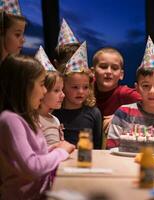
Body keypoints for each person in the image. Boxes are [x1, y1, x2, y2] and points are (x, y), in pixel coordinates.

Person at [0, 54, 75, 199]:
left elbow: (28, 155)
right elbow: (31, 167)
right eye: (41, 84)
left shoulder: (27, 119)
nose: (45, 91)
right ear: (25, 86)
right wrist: (61, 152)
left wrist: (52, 149)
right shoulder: (10, 120)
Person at [107, 37, 154, 148]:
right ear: (137, 88)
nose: (152, 91)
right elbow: (112, 148)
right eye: (146, 86)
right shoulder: (123, 113)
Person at [53, 42, 102, 149]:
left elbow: (97, 147)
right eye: (75, 87)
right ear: (63, 87)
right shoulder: (53, 112)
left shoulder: (94, 113)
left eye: (85, 87)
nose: (81, 92)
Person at [92, 47, 141, 148]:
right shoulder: (85, 90)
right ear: (92, 72)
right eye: (103, 66)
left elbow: (150, 104)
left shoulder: (125, 94)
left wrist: (120, 117)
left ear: (121, 75)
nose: (109, 71)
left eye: (114, 68)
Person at [35, 46, 65, 146]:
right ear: (41, 91)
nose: (63, 95)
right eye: (56, 90)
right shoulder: (33, 120)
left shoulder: (55, 120)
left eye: (62, 89)